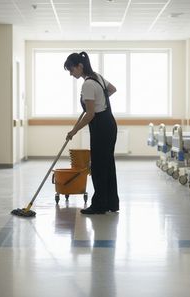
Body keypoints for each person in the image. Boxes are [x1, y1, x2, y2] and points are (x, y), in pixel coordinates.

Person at [64, 52, 120, 215]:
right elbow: (112, 89)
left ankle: (99, 205)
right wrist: (98, 100)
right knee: (107, 164)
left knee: (98, 166)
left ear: (80, 66)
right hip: (109, 123)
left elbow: (90, 114)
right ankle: (111, 202)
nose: (71, 73)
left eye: (71, 69)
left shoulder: (87, 84)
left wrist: (73, 131)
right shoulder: (98, 77)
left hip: (100, 126)